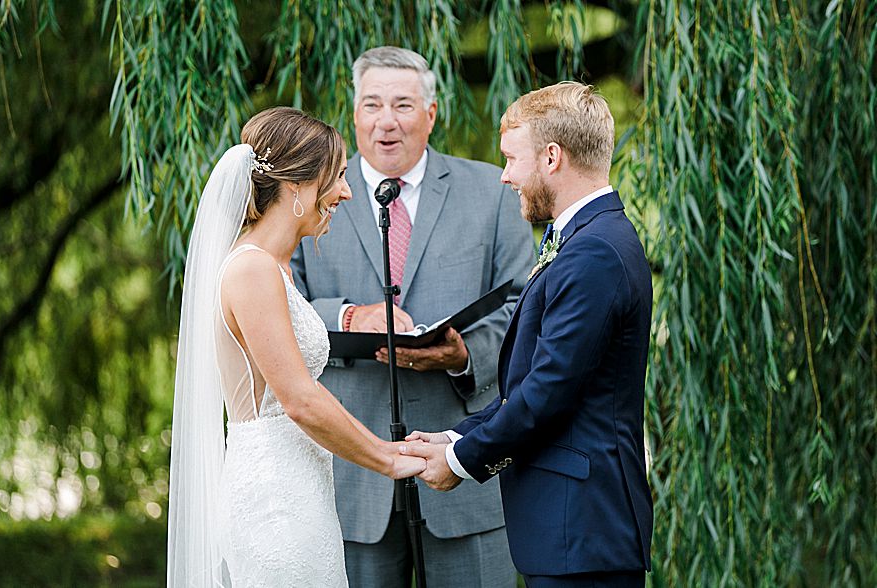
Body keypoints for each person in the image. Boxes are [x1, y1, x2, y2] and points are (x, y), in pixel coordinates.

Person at [290, 46, 533, 586]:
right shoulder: (306, 197)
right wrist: (352, 316)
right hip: (350, 473)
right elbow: (282, 301)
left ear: (431, 113)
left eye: (402, 105)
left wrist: (465, 355)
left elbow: (524, 306)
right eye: (371, 104)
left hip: (464, 468)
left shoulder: (490, 192)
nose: (386, 122)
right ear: (353, 114)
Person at [401, 82, 654, 587]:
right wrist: (458, 434)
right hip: (570, 529)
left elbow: (548, 393)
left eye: (513, 159)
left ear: (552, 158)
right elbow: (537, 385)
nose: (505, 176)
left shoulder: (594, 253)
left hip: (583, 531)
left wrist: (460, 459)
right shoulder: (586, 239)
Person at [168, 107, 428, 587]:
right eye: (338, 178)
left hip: (299, 487)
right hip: (274, 500)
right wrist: (388, 459)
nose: (347, 193)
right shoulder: (252, 270)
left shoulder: (275, 268)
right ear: (296, 188)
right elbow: (301, 400)